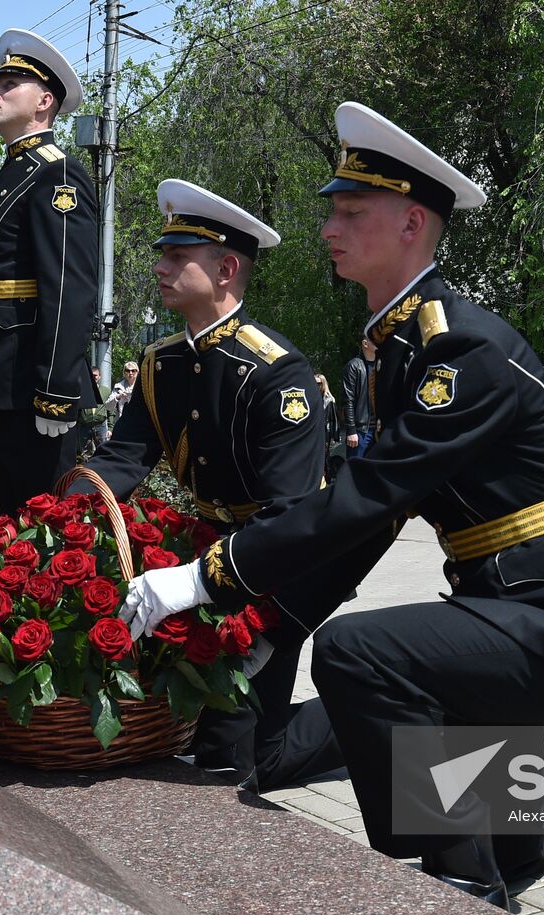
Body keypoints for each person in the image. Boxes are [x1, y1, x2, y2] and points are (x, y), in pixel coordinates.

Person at [116, 102, 544, 909]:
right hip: (505, 603)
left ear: (412, 223)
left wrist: (210, 577)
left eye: (352, 213)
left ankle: (459, 886)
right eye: (333, 212)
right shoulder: (400, 346)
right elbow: (372, 524)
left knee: (362, 656)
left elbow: (367, 496)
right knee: (518, 834)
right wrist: (272, 620)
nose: (329, 228)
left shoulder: (459, 348)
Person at [73, 179, 375, 789]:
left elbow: (289, 516)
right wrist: (52, 522)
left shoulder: (275, 372)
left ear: (227, 268)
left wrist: (205, 582)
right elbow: (123, 461)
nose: (159, 266)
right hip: (206, 557)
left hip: (275, 570)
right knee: (217, 748)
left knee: (246, 756)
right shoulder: (162, 363)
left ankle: (391, 724)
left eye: (176, 257)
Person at [0, 29, 98, 515]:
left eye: (9, 84)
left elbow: (70, 288)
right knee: (13, 527)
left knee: (44, 532)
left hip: (30, 383)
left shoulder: (59, 173)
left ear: (44, 102)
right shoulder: (16, 170)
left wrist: (55, 390)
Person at [341, 337, 379, 457]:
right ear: (365, 343)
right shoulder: (353, 366)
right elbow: (348, 401)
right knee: (356, 472)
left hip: (380, 429)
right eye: (374, 339)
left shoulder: (382, 364)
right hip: (361, 431)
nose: (379, 341)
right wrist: (351, 431)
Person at [316, 372, 345, 481]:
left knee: (324, 458)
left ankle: (326, 480)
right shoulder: (312, 397)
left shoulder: (329, 400)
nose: (317, 385)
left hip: (325, 434)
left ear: (323, 384)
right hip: (316, 433)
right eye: (315, 383)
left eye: (319, 383)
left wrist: (334, 436)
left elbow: (333, 420)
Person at [77, 366, 110, 455]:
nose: (93, 377)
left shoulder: (106, 391)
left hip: (100, 426)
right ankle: (85, 468)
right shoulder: (81, 390)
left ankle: (101, 468)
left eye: (95, 375)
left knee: (102, 451)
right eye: (91, 375)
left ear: (99, 377)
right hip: (84, 426)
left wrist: (110, 428)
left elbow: (111, 409)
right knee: (84, 452)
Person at [105, 361, 138, 426]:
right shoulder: (118, 387)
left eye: (133, 370)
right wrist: (118, 397)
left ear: (137, 372)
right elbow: (108, 406)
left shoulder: (142, 386)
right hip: (123, 423)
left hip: (138, 423)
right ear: (124, 373)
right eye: (127, 370)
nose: (130, 373)